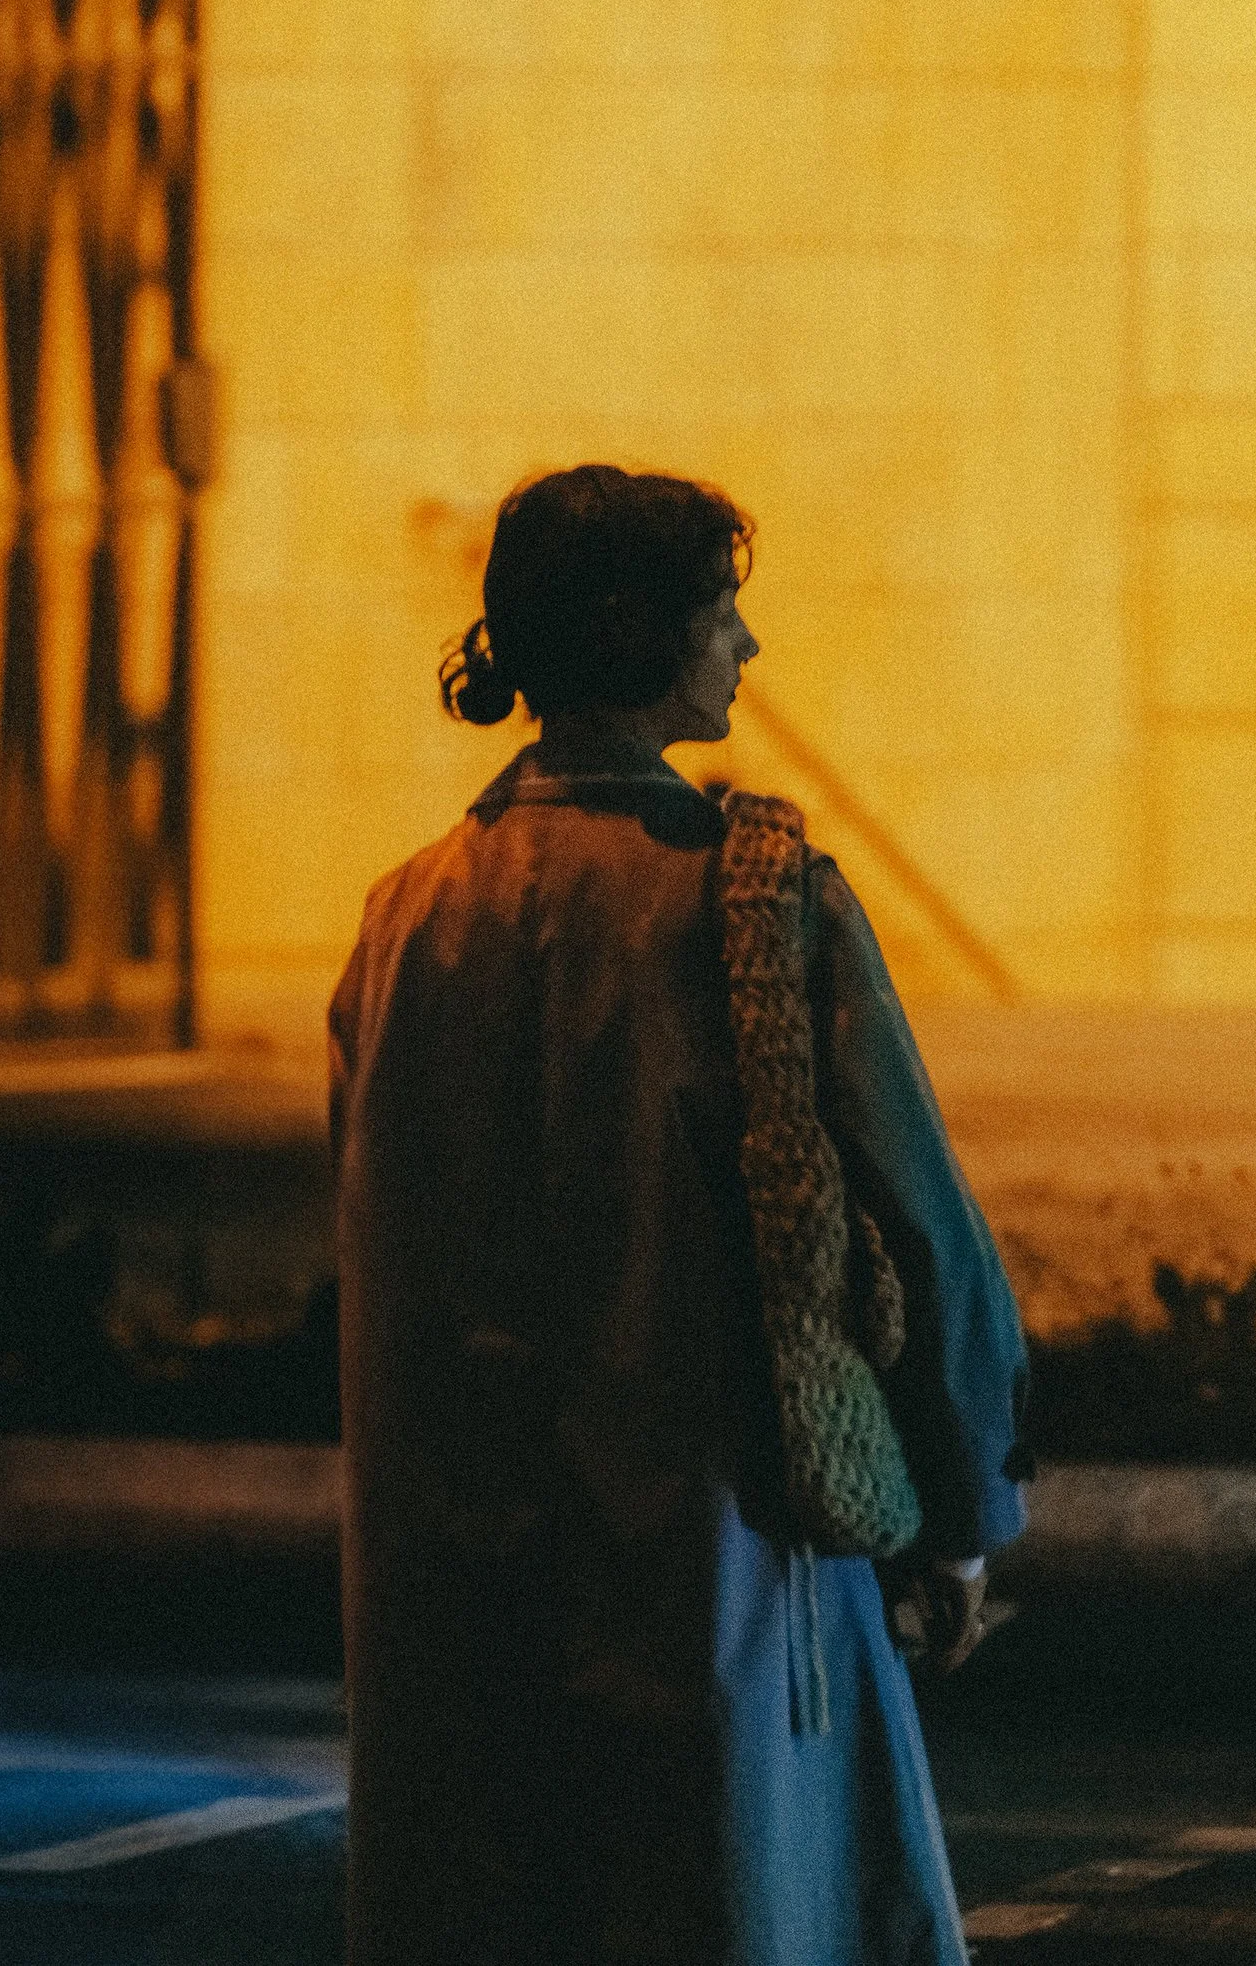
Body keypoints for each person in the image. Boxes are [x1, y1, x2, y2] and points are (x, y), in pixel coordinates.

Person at [328, 462, 1029, 1966]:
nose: (748, 648)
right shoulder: (757, 903)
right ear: (643, 633)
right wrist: (963, 1513)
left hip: (459, 1591)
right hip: (717, 1562)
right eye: (727, 610)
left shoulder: (405, 919)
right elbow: (924, 1229)